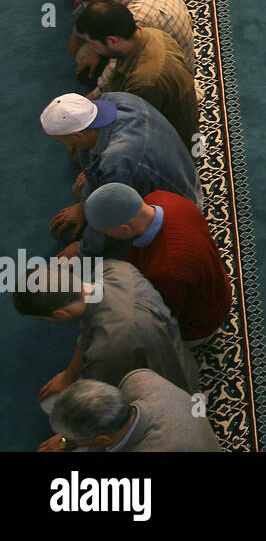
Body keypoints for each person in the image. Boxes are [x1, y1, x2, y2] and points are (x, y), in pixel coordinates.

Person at [15, 258, 201, 403]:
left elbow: (103, 400)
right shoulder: (115, 268)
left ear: (60, 314)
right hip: (181, 357)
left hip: (174, 398)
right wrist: (68, 376)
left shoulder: (105, 352)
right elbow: (88, 330)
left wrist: (67, 442)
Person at [40, 92, 200, 256]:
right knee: (82, 185)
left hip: (181, 204)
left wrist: (83, 250)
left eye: (66, 141)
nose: (67, 145)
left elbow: (111, 212)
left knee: (112, 257)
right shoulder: (117, 99)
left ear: (78, 134)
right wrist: (83, 206)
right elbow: (93, 162)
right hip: (176, 169)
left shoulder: (117, 162)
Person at [82, 183, 231, 343]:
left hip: (200, 323)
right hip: (213, 286)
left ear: (125, 229)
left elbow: (160, 318)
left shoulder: (169, 269)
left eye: (107, 233)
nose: (109, 237)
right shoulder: (161, 198)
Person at [74, 0, 198, 147]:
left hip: (171, 145)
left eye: (94, 44)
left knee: (81, 147)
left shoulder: (144, 82)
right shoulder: (153, 33)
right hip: (159, 110)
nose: (93, 49)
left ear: (113, 41)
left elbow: (134, 131)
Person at [66, 0, 194, 85]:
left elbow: (116, 62)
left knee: (86, 59)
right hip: (171, 45)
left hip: (174, 72)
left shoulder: (138, 16)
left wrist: (95, 96)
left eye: (87, 1)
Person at [42, 371, 221, 452]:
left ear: (103, 439)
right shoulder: (139, 379)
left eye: (72, 441)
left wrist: (65, 446)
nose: (63, 442)